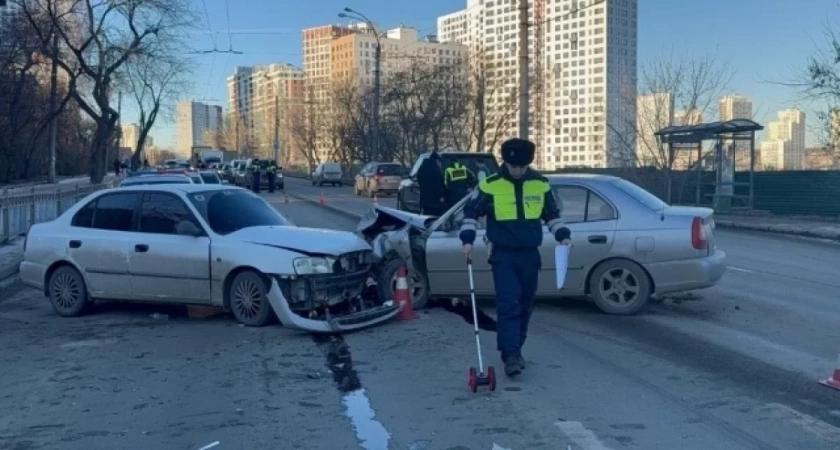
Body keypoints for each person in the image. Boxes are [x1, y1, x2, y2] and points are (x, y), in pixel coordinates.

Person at [458, 138, 571, 378]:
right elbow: (470, 213)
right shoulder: (490, 185)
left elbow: (552, 214)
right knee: (508, 304)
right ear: (505, 162)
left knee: (525, 305)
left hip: (530, 255)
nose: (517, 170)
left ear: (528, 164)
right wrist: (467, 239)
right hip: (503, 255)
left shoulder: (540, 184)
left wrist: (563, 235)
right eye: (513, 166)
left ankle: (516, 348)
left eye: (521, 166)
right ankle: (510, 355)